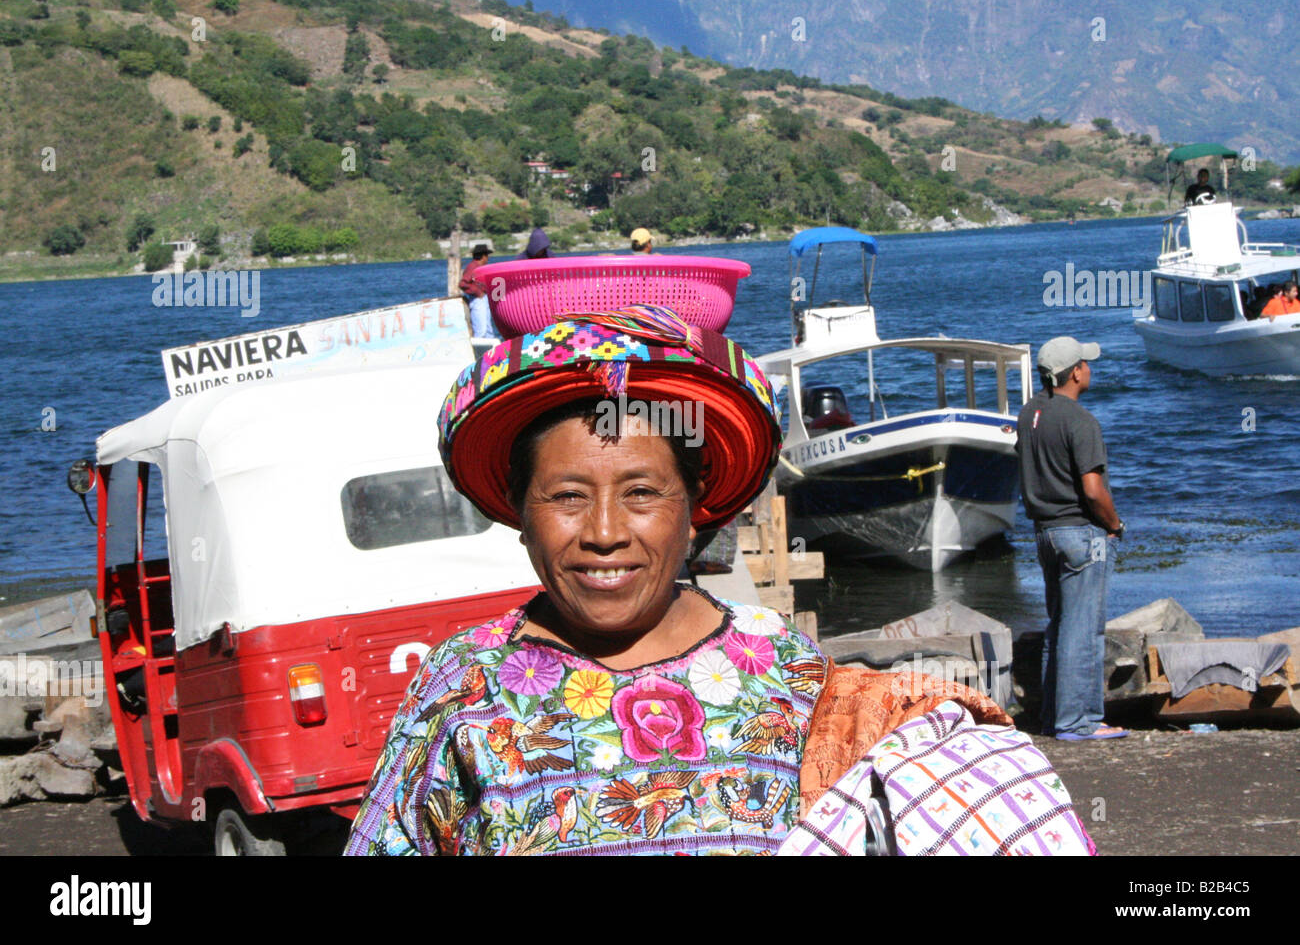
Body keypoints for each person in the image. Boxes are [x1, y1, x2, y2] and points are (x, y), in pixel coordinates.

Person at [345, 307, 1090, 856]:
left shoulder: (785, 676)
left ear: (694, 509)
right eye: (567, 495)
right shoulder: (462, 690)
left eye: (642, 493)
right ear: (518, 512)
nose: (605, 530)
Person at [1016, 337, 1127, 743]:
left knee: (1060, 626)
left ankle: (1054, 716)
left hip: (1045, 533)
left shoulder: (1031, 413)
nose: (1090, 369)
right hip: (1081, 533)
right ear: (1075, 372)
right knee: (1084, 631)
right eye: (1085, 363)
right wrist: (1114, 525)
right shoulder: (1081, 421)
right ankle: (1078, 722)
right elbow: (1093, 490)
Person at [458, 243, 496, 338]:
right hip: (477, 300)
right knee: (481, 330)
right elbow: (462, 283)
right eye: (486, 256)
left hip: (483, 299)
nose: (487, 258)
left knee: (488, 329)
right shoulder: (473, 267)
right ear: (483, 256)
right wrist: (477, 292)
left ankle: (490, 351)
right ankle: (478, 351)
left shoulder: (477, 267)